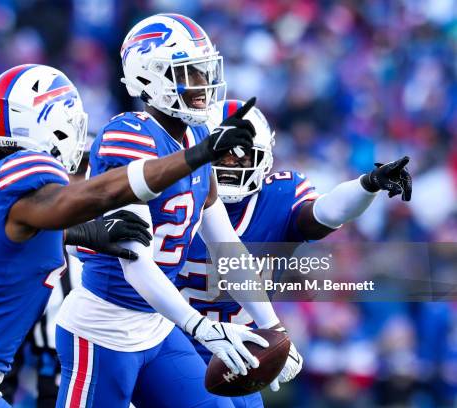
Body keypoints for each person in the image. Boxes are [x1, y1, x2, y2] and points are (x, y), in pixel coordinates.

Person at [0, 64, 256, 408]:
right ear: (50, 125)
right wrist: (195, 156)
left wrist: (86, 233)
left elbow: (8, 240)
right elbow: (97, 193)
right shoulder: (25, 176)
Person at [55, 14, 297, 408]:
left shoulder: (199, 136)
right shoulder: (128, 136)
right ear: (151, 77)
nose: (203, 85)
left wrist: (273, 326)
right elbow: (134, 260)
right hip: (104, 329)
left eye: (204, 72)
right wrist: (202, 328)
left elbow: (226, 246)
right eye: (190, 74)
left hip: (159, 327)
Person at [175, 99, 413, 407]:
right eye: (220, 151)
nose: (230, 163)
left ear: (263, 157)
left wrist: (367, 185)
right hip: (176, 343)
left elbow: (325, 213)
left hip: (245, 352)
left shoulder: (279, 196)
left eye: (241, 153)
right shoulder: (177, 196)